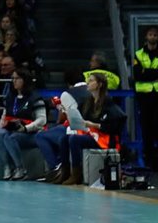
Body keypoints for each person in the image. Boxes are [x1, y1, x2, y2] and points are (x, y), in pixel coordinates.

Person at [59, 72, 126, 186]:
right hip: (91, 134)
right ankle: (65, 172)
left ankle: (76, 173)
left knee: (74, 139)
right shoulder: (88, 101)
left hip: (104, 137)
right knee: (64, 139)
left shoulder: (108, 102)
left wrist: (93, 125)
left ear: (99, 84)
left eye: (91, 81)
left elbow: (113, 125)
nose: (87, 83)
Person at [36, 68, 91, 184]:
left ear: (68, 82)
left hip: (77, 129)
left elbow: (63, 118)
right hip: (94, 130)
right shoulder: (93, 91)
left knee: (41, 136)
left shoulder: (68, 94)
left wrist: (60, 111)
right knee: (60, 136)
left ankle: (56, 168)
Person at [0, 68, 46, 180]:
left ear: (25, 80)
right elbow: (4, 117)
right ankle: (7, 167)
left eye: (17, 78)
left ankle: (20, 168)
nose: (14, 81)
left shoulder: (35, 97)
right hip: (14, 130)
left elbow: (42, 120)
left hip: (32, 133)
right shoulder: (10, 97)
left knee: (10, 137)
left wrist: (25, 128)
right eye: (13, 78)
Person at [132, 26, 158, 171]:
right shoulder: (139, 54)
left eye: (155, 35)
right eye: (150, 34)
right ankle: (149, 160)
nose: (153, 37)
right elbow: (137, 75)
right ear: (146, 37)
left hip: (157, 95)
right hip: (144, 97)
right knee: (147, 128)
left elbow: (143, 74)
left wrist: (146, 72)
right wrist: (154, 73)